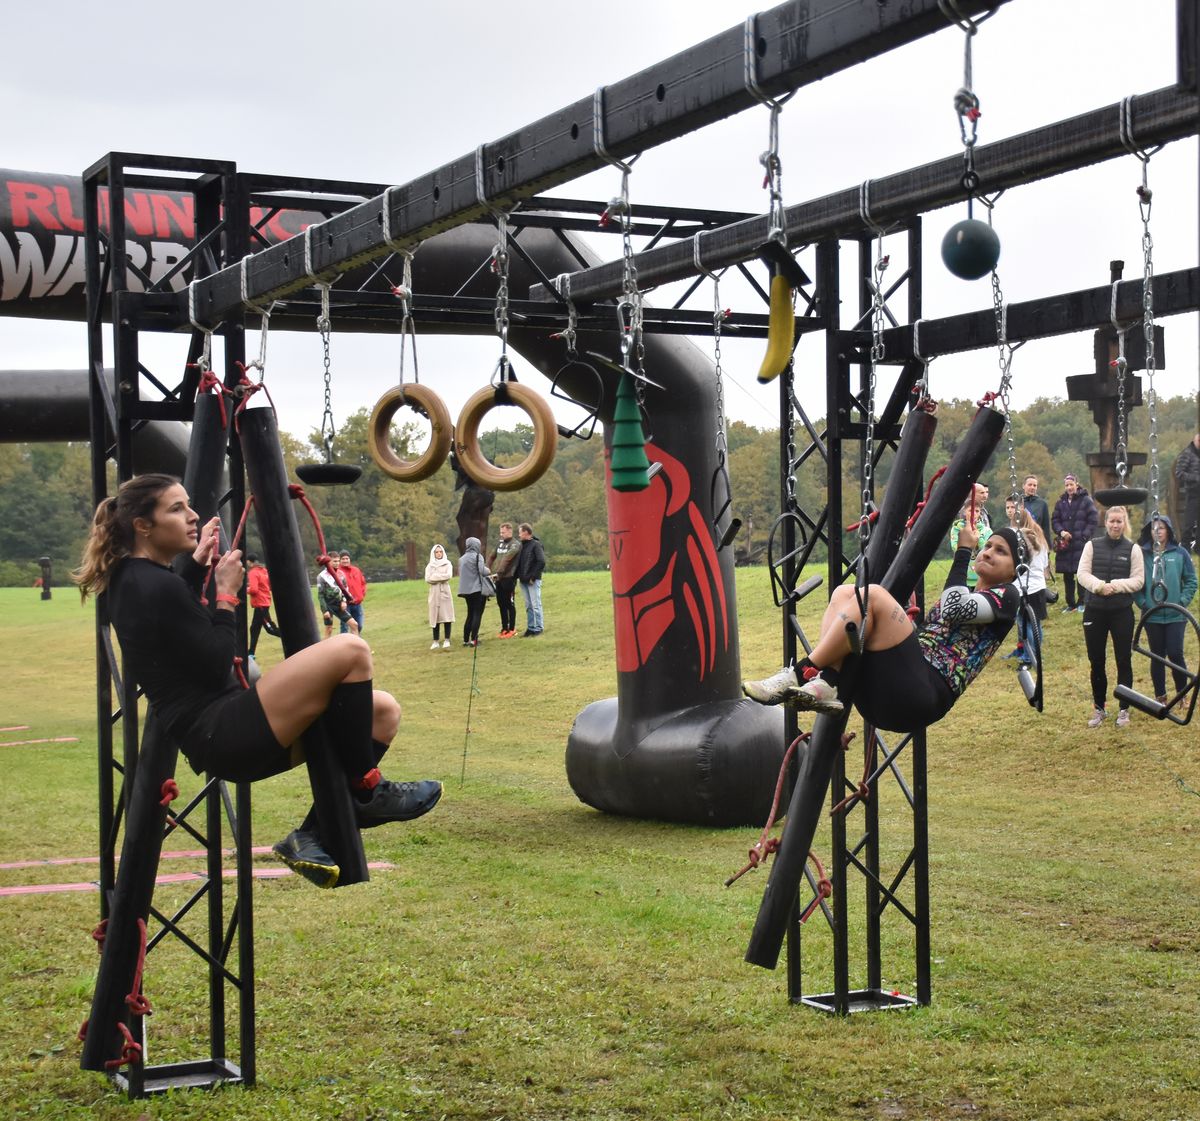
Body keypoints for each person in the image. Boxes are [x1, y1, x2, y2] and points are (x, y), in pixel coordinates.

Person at [73, 474, 442, 889]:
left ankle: (312, 834)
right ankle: (367, 791)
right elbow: (216, 662)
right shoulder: (151, 585)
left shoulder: (135, 579)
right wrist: (227, 596)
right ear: (143, 525)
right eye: (176, 509)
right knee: (351, 651)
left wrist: (195, 571)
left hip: (226, 738)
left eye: (188, 504)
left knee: (382, 711)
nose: (193, 515)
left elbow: (176, 623)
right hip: (223, 730)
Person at [742, 525, 1022, 733]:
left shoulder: (1008, 596)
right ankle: (828, 681)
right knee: (844, 593)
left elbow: (953, 608)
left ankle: (800, 672)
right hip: (888, 689)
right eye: (988, 546)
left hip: (918, 695)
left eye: (1000, 551)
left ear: (1015, 570)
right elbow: (932, 633)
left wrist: (963, 551)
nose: (987, 552)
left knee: (872, 595)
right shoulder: (972, 593)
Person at [1077, 505, 1144, 728]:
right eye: (1112, 521)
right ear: (1105, 523)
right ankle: (1099, 708)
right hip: (1095, 609)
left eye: (1119, 521)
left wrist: (1115, 586)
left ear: (1125, 523)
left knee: (1123, 659)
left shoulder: (1133, 549)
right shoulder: (1092, 546)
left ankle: (1124, 708)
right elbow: (1082, 574)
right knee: (1096, 661)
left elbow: (1138, 580)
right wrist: (1098, 587)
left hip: (1121, 611)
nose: (1115, 525)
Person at [1133, 515, 1197, 704]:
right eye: (1154, 528)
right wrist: (1143, 602)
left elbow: (1191, 581)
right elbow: (1136, 582)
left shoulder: (1180, 553)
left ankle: (1181, 694)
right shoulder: (1143, 554)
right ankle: (1160, 696)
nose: (1157, 531)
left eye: (1161, 528)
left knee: (1176, 654)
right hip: (1151, 616)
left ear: (1168, 530)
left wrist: (1182, 601)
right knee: (1157, 655)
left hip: (1176, 615)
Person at [1001, 510, 1050, 667]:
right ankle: (1029, 653)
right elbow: (1043, 564)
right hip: (1038, 586)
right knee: (1031, 623)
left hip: (1025, 587)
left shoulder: (1019, 538)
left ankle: (1030, 657)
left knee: (1027, 623)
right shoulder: (1039, 536)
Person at [1052, 474, 1099, 613]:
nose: (1069, 487)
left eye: (1071, 484)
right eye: (1066, 485)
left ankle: (1082, 602)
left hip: (1081, 544)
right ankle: (1070, 604)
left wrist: (1084, 535)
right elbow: (1055, 520)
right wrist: (1061, 532)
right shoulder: (1060, 503)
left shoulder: (1086, 500)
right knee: (1067, 575)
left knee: (1081, 573)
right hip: (1065, 545)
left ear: (1077, 484)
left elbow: (1093, 520)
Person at [948, 483, 992, 588]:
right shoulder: (957, 528)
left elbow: (986, 549)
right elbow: (956, 547)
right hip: (963, 574)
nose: (974, 514)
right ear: (964, 512)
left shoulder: (986, 530)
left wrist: (978, 538)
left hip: (980, 575)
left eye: (977, 511)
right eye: (970, 511)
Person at [488, 522, 522, 638]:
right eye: (500, 532)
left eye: (503, 532)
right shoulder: (500, 544)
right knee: (501, 603)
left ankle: (512, 628)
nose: (501, 534)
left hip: (509, 578)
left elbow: (507, 559)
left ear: (509, 531)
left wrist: (499, 573)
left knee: (509, 604)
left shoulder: (515, 544)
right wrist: (486, 569)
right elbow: (492, 556)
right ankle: (504, 628)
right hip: (498, 579)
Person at [457, 536, 490, 648]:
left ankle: (465, 640)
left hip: (466, 591)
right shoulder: (478, 556)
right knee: (477, 614)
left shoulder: (461, 559)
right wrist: (488, 570)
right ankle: (474, 639)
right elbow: (482, 571)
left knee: (470, 614)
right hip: (477, 590)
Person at [245, 553, 280, 658]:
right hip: (265, 602)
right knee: (254, 628)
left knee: (270, 629)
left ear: (250, 562)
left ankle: (292, 639)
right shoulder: (264, 571)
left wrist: (246, 590)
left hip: (260, 604)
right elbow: (268, 586)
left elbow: (254, 590)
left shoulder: (252, 573)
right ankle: (251, 653)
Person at [515, 522, 546, 637]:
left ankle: (538, 627)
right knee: (528, 605)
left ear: (526, 532)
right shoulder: (521, 546)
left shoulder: (536, 545)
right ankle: (531, 627)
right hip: (523, 580)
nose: (519, 535)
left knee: (535, 604)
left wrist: (533, 576)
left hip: (532, 580)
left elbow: (541, 561)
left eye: (520, 532)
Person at [317, 555, 356, 639]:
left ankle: (357, 648)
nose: (337, 563)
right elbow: (320, 595)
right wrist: (325, 611)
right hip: (328, 606)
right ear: (328, 562)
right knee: (329, 629)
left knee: (354, 624)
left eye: (338, 561)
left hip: (338, 605)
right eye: (334, 561)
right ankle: (324, 650)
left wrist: (344, 601)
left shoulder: (341, 574)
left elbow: (345, 589)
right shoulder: (321, 576)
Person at [424, 544, 455, 649]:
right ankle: (435, 641)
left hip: (445, 592)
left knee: (447, 616)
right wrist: (440, 577)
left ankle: (447, 639)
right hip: (434, 593)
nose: (439, 554)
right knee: (435, 617)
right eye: (437, 552)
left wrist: (436, 576)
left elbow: (448, 576)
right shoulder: (430, 566)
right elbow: (428, 578)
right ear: (433, 553)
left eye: (440, 552)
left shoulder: (447, 563)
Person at [1174, 434, 1200, 553]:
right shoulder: (1187, 454)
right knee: (1189, 524)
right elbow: (1179, 473)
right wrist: (1196, 478)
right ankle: (1185, 549)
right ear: (1195, 441)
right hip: (1193, 492)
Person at [337, 550, 367, 635]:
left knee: (359, 625)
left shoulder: (356, 570)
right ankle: (344, 645)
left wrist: (361, 594)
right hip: (345, 604)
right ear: (340, 560)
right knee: (345, 626)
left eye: (347, 558)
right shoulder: (337, 572)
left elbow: (363, 583)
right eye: (343, 559)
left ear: (350, 559)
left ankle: (356, 644)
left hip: (357, 603)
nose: (345, 560)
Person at [1021, 474, 1053, 548]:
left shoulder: (1042, 504)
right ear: (1023, 486)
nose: (1032, 487)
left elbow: (1045, 527)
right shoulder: (1019, 502)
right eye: (1030, 485)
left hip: (1037, 541)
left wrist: (1047, 546)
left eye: (1034, 485)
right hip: (1022, 540)